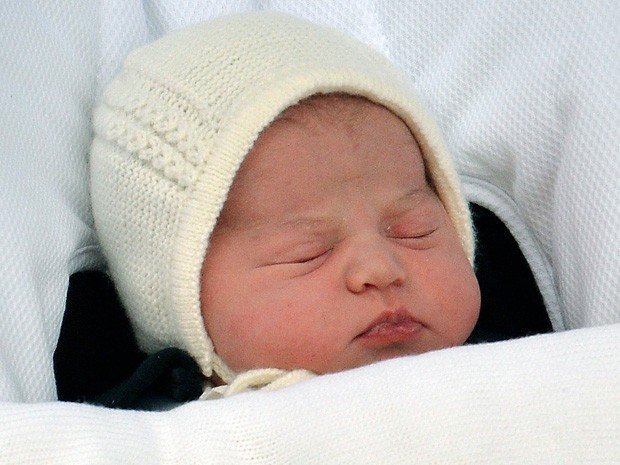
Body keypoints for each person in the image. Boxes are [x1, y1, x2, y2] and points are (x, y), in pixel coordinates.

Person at [90, 11, 481, 401]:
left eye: (416, 229)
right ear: (183, 305)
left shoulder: (526, 370)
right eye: (306, 253)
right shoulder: (152, 439)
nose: (380, 269)